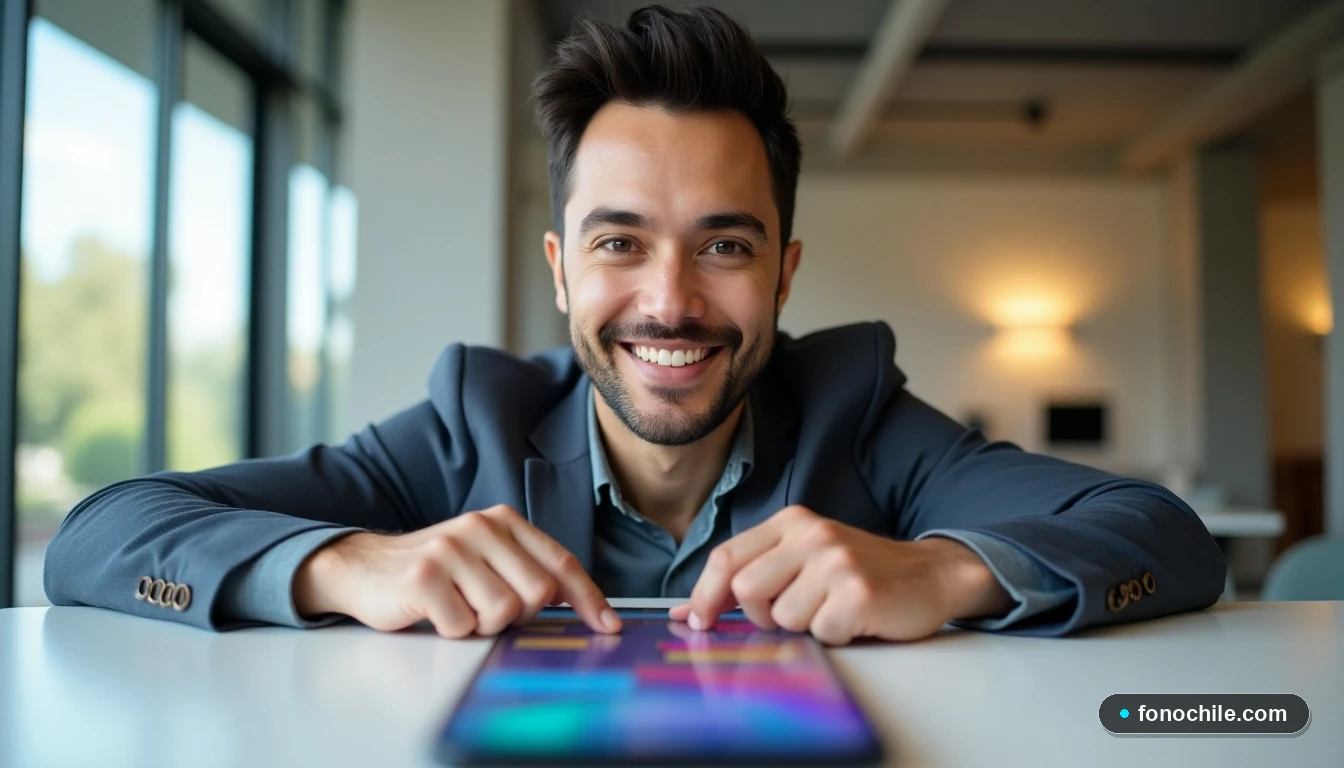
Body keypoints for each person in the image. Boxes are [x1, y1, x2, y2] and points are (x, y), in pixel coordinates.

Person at [44, 5, 1225, 645]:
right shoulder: (468, 427)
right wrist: (347, 563)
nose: (670, 301)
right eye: (620, 243)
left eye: (725, 244)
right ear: (561, 272)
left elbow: (1165, 537)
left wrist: (944, 572)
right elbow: (99, 538)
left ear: (784, 272)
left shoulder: (860, 418)